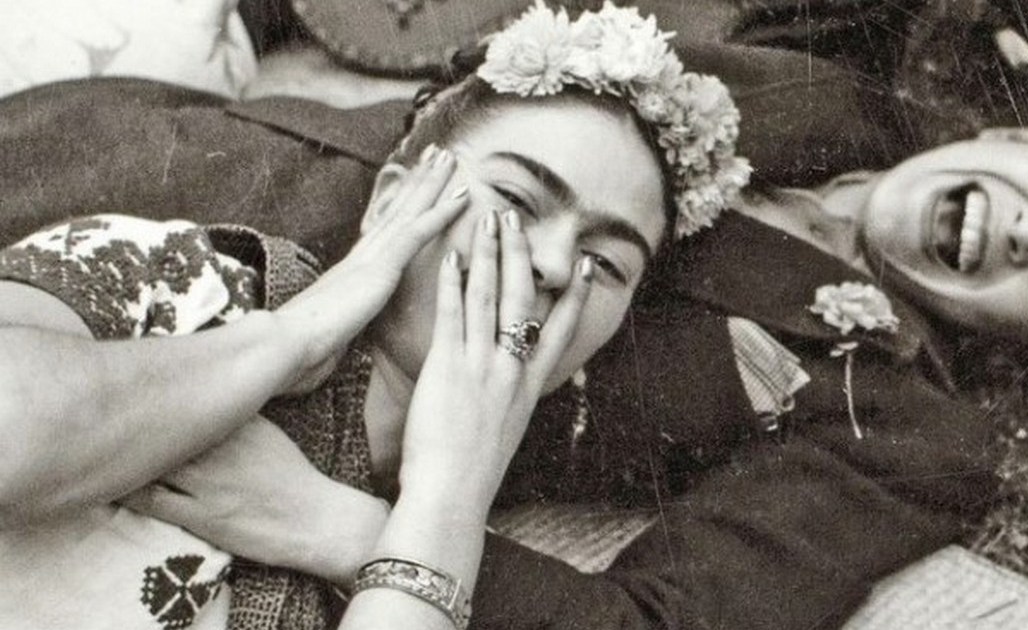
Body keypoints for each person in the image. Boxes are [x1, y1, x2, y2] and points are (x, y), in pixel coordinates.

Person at [0, 2, 1028, 630]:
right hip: (151, 176)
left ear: (1026, 348)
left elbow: (663, 624)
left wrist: (348, 531)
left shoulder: (909, 430)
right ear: (1024, 130)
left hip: (268, 414)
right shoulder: (835, 78)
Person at [0, 3, 752, 629]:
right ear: (394, 199)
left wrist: (442, 501)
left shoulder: (448, 549)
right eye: (518, 200)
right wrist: (290, 340)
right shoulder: (189, 280)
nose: (555, 266)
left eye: (605, 265)